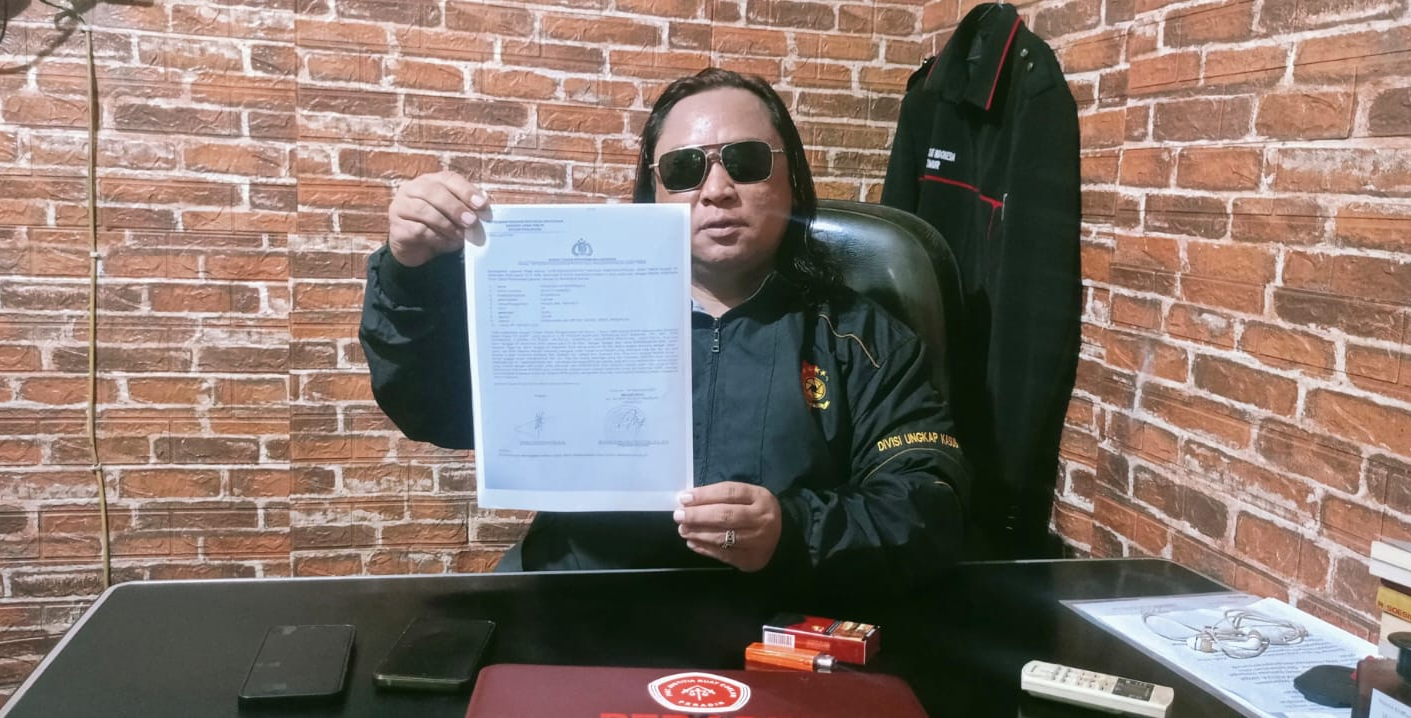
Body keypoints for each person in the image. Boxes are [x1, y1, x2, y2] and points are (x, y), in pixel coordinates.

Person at [360, 68, 972, 590]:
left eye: (747, 162)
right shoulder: (574, 312)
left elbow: (930, 504)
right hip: (584, 606)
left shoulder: (860, 339)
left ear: (791, 179)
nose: (717, 190)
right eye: (684, 168)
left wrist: (792, 530)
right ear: (653, 191)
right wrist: (411, 274)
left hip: (777, 621)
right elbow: (434, 412)